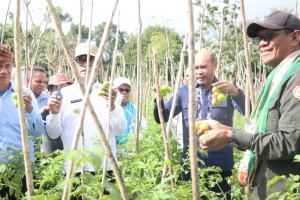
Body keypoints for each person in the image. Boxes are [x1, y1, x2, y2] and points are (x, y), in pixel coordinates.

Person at [199, 11, 300, 199]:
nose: (261, 44)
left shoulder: (297, 77)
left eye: (269, 36)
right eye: (259, 39)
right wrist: (227, 131)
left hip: (283, 191)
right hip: (266, 187)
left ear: (294, 37)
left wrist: (232, 136)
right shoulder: (278, 78)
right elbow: (267, 131)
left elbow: (289, 142)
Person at [154, 49, 245, 199]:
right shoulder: (184, 91)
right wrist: (158, 100)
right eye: (196, 68)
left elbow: (249, 111)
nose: (199, 72)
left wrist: (235, 91)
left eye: (203, 67)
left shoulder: (225, 89)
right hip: (190, 163)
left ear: (214, 65)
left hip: (220, 166)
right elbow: (162, 117)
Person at [46, 42, 126, 178]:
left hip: (105, 168)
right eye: (81, 60)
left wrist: (112, 107)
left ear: (99, 64)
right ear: (74, 64)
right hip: (74, 170)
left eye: (91, 60)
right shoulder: (63, 95)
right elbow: (53, 134)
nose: (86, 64)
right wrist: (54, 113)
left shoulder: (109, 93)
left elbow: (120, 129)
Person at [0, 44, 45, 198]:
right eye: (0, 66)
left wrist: (30, 110)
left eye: (7, 66)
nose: (4, 71)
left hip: (22, 170)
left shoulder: (25, 94)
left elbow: (38, 132)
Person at [41, 73, 72, 155]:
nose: (61, 91)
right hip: (52, 157)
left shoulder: (74, 109)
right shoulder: (45, 111)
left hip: (71, 155)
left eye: (64, 87)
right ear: (51, 91)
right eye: (57, 88)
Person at [113, 77, 147, 145]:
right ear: (114, 90)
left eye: (127, 90)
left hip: (130, 149)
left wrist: (136, 138)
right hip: (112, 147)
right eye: (121, 89)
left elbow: (144, 128)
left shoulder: (135, 110)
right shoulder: (109, 108)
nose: (124, 92)